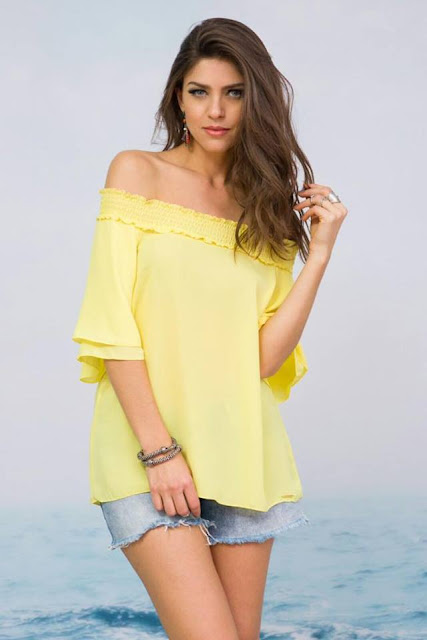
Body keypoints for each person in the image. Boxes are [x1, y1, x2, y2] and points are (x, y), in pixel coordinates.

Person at [72, 17, 347, 640]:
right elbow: (112, 325)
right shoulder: (136, 173)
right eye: (200, 92)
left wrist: (320, 253)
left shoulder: (268, 208)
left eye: (234, 93)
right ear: (179, 96)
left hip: (243, 458)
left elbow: (263, 360)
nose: (215, 111)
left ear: (257, 99)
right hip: (148, 458)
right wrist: (160, 454)